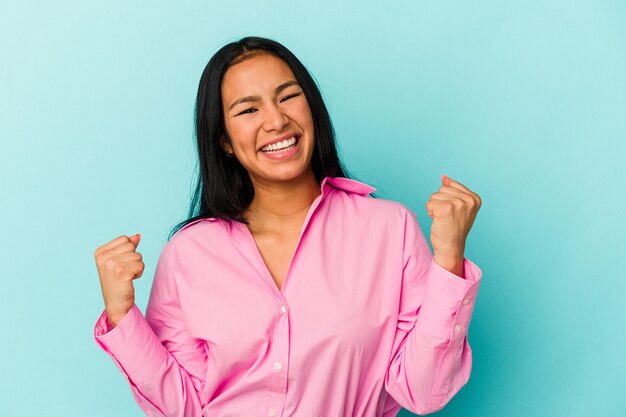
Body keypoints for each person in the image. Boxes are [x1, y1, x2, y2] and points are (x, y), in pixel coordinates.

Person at [93, 36, 483, 417]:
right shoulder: (188, 253)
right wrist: (121, 314)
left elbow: (424, 391)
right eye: (248, 110)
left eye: (288, 96)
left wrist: (449, 260)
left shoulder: (390, 230)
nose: (276, 120)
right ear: (225, 141)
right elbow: (185, 407)